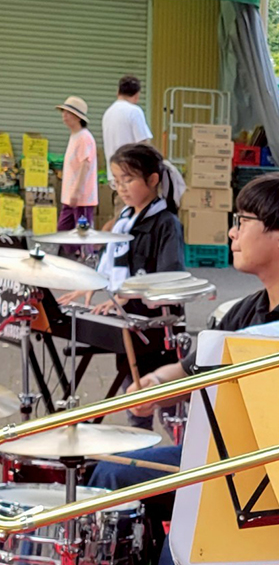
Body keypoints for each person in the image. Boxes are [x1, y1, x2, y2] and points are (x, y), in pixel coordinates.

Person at [85, 172, 279, 565]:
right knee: (111, 472)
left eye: (243, 220)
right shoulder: (252, 306)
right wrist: (155, 384)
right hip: (232, 457)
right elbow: (193, 365)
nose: (232, 232)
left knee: (196, 516)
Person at [58, 143, 185, 428]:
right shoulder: (124, 220)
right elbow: (110, 263)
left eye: (128, 180)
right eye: (117, 181)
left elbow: (169, 274)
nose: (121, 188)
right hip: (128, 319)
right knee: (134, 392)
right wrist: (88, 287)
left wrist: (126, 297)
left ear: (153, 180)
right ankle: (140, 449)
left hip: (156, 322)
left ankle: (181, 452)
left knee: (164, 398)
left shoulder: (166, 223)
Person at [57, 96, 98, 256]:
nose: (64, 116)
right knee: (64, 230)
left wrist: (77, 191)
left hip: (82, 198)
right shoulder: (75, 136)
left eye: (68, 112)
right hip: (70, 197)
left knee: (82, 234)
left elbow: (85, 165)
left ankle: (86, 260)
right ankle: (74, 258)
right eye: (64, 112)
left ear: (77, 117)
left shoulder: (84, 137)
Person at [102, 75, 153, 184]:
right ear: (137, 95)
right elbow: (143, 143)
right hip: (132, 174)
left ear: (118, 91)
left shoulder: (108, 113)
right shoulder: (134, 111)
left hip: (114, 174)